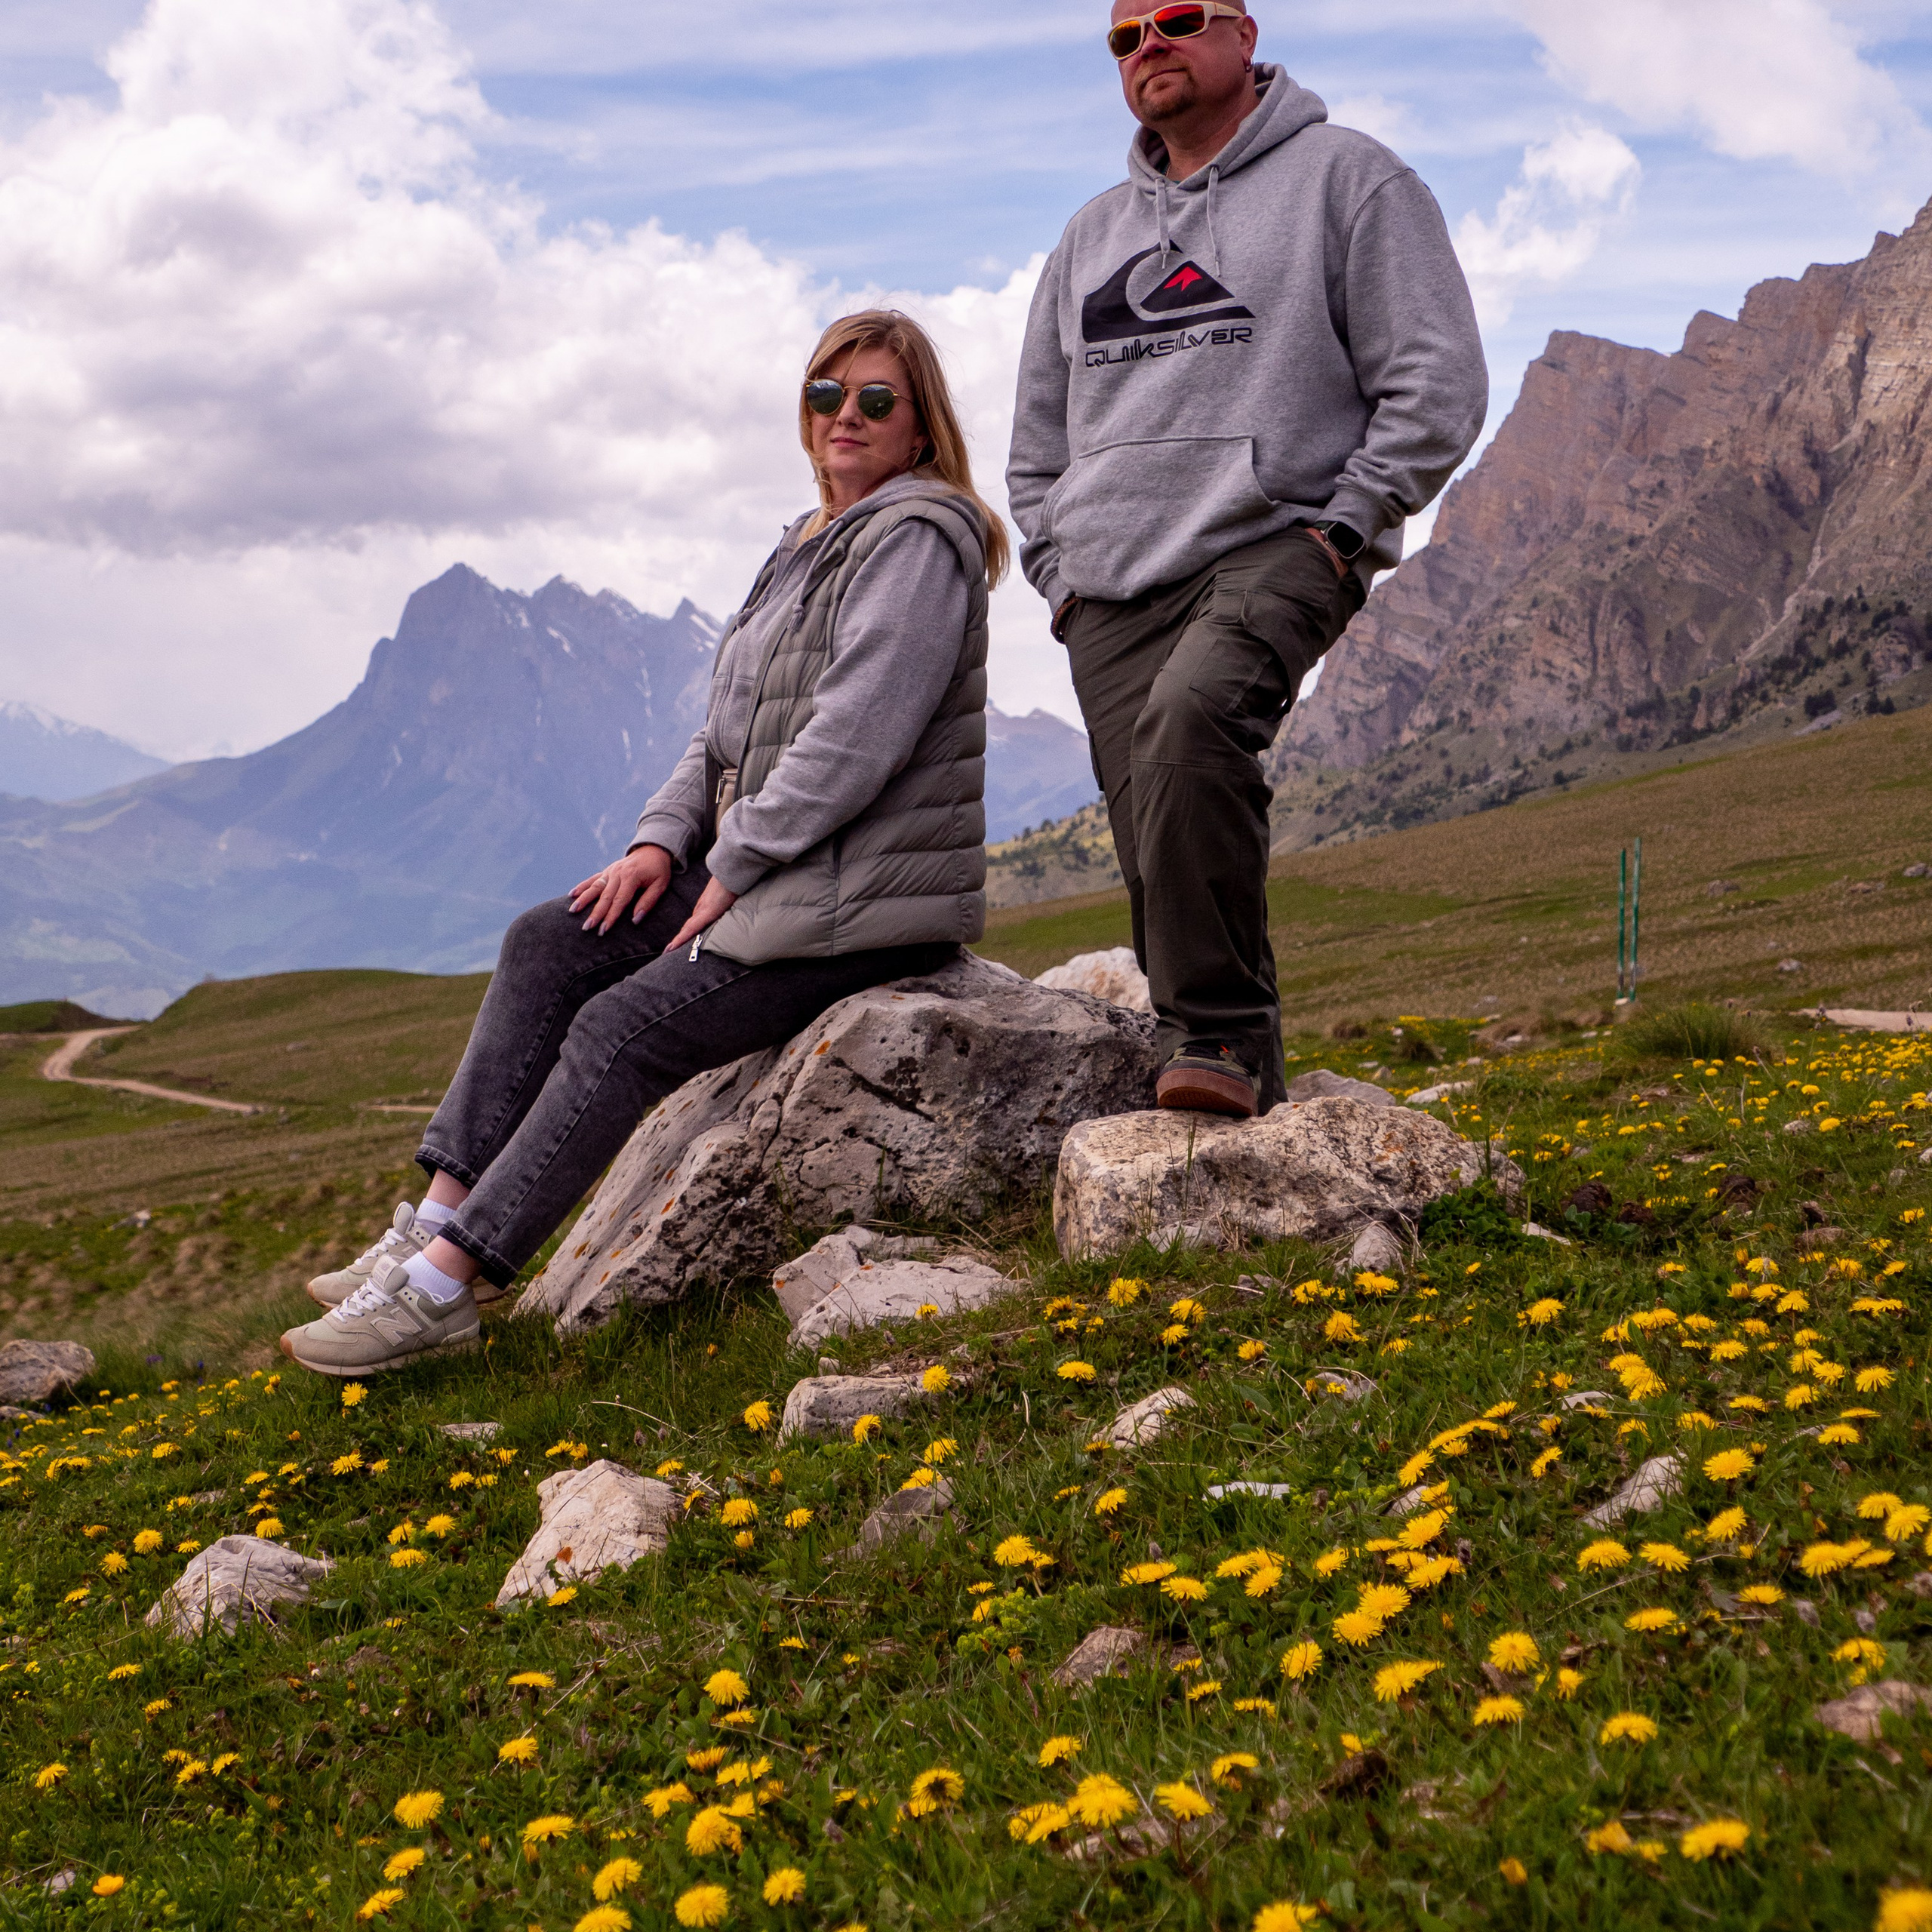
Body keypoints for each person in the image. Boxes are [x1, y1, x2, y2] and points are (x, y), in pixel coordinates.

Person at [281, 309, 1005, 1376]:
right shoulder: (804, 546)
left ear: (919, 428)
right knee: (554, 937)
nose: (845, 416)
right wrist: (664, 844)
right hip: (780, 878)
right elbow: (721, 732)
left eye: (875, 401)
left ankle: (446, 1287)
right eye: (826, 394)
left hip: (859, 910)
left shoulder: (918, 543)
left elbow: (856, 739)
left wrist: (736, 862)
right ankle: (422, 1228)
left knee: (622, 1026)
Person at [1008, 1, 1487, 1118]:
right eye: (1124, 40)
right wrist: (1061, 577)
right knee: (1161, 841)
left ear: (1244, 34)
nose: (1148, 49)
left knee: (1191, 726)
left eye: (1175, 21)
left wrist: (1343, 527)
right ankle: (1240, 1107)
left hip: (1278, 541)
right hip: (1111, 585)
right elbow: (1039, 443)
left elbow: (1437, 380)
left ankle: (1212, 1038)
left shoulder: (1350, 180)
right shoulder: (1088, 237)